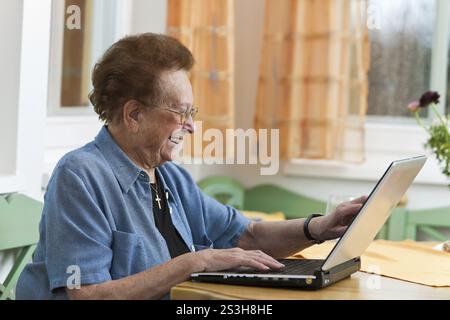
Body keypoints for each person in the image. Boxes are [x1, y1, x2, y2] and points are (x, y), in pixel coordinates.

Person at [16, 33, 366, 300]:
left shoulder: (169, 176)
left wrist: (320, 227)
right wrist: (194, 261)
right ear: (134, 114)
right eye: (180, 113)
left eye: (191, 113)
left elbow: (246, 236)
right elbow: (86, 294)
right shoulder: (80, 175)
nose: (191, 127)